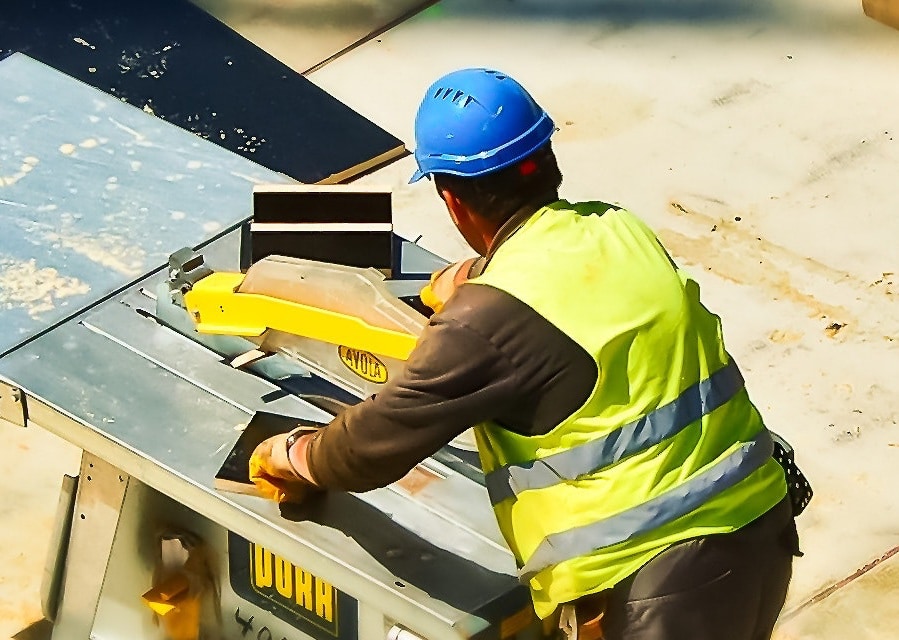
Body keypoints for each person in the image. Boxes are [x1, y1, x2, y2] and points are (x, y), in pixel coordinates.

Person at [249, 67, 803, 640]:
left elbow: (373, 446)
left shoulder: (486, 323)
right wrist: (476, 278)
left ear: (450, 199)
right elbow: (568, 293)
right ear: (544, 158)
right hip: (758, 532)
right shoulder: (618, 230)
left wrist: (296, 455)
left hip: (655, 586)